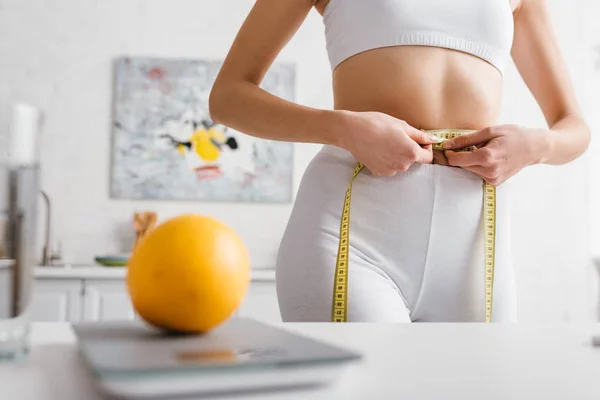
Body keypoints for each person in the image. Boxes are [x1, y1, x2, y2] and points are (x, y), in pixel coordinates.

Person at [209, 0, 590, 322]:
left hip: (473, 244)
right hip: (352, 233)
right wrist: (344, 128)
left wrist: (536, 145)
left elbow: (573, 127)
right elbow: (228, 97)